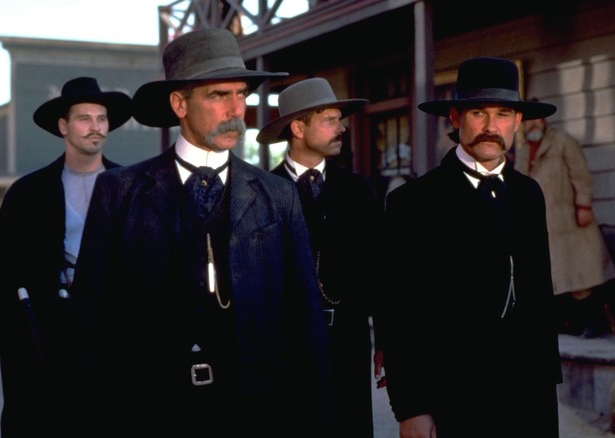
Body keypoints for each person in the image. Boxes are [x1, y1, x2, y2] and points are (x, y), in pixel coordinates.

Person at [64, 29, 338, 437]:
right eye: (218, 95)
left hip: (255, 414)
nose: (236, 109)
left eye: (241, 94)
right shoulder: (119, 191)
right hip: (151, 412)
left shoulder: (278, 195)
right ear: (179, 103)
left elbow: (305, 325)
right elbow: (89, 325)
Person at [381, 57, 563, 438]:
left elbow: (540, 300)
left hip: (528, 397)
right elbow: (399, 314)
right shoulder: (414, 202)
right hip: (454, 398)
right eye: (479, 113)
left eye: (503, 114)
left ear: (517, 120)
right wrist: (411, 407)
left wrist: (546, 400)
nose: (491, 127)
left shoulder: (529, 194)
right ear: (455, 117)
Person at [0, 76, 131, 437]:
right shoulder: (29, 192)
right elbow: (4, 269)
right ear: (63, 126)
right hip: (47, 322)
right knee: (41, 417)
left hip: (112, 326)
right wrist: (3, 339)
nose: (95, 127)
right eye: (84, 118)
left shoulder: (131, 186)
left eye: (101, 119)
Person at [257, 77, 384, 438]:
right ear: (298, 128)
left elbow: (381, 271)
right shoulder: (262, 192)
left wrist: (385, 341)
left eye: (338, 120)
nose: (341, 128)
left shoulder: (360, 191)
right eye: (329, 120)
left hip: (349, 341)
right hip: (286, 345)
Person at [514, 109, 615, 338]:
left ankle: (594, 322)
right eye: (528, 121)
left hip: (568, 218)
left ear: (544, 121)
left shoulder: (562, 142)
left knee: (581, 274)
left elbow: (580, 174)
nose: (533, 124)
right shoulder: (523, 151)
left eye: (536, 119)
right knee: (554, 277)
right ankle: (569, 324)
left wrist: (584, 206)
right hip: (541, 222)